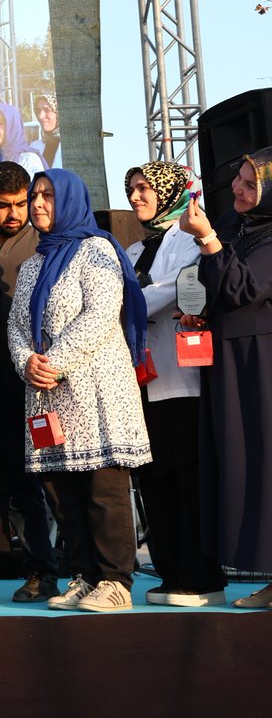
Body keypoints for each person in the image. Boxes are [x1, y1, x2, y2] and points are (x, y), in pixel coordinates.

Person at [8, 169, 151, 613]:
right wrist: (24, 360)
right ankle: (86, 575)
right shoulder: (33, 263)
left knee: (103, 490)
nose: (37, 204)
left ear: (69, 200)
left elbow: (101, 315)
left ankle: (116, 582)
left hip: (95, 391)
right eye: (34, 196)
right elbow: (15, 326)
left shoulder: (97, 251)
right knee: (64, 495)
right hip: (50, 396)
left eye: (47, 196)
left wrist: (51, 362)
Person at [123, 162, 227, 607]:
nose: (136, 197)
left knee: (186, 478)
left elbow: (171, 291)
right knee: (154, 478)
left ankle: (202, 578)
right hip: (141, 382)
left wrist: (126, 306)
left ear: (167, 190)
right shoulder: (130, 250)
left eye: (145, 188)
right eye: (131, 189)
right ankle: (170, 573)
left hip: (181, 379)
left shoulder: (189, 238)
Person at [177, 148, 272, 607]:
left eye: (251, 184)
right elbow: (218, 287)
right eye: (238, 177)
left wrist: (209, 239)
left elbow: (245, 288)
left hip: (261, 365)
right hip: (228, 362)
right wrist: (196, 313)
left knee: (264, 461)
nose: (237, 188)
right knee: (240, 462)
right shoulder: (236, 227)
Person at [0, 162, 59, 602]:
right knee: (9, 483)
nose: (14, 213)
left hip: (44, 381)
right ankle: (33, 570)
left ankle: (71, 570)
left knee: (52, 482)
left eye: (21, 203)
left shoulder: (49, 243)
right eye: (3, 205)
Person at [0, 104, 46, 228]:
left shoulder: (29, 159)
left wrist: (23, 235)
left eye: (0, 123)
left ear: (13, 126)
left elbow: (38, 202)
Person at [31, 94, 61, 169]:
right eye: (38, 111)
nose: (40, 116)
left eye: (47, 110)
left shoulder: (73, 147)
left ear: (57, 112)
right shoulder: (34, 147)